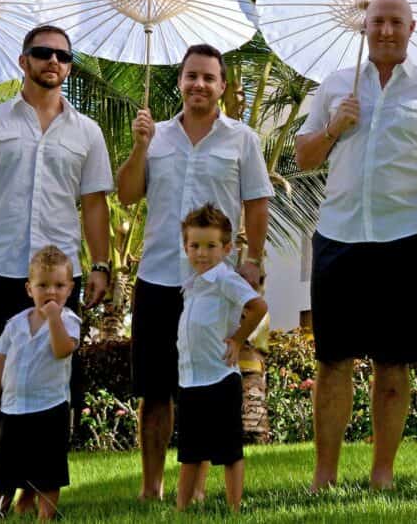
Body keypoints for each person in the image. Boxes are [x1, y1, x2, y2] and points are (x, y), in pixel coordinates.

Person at [0, 24, 114, 519]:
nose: (53, 61)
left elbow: (95, 203)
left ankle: (26, 496)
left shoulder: (87, 132)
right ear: (23, 60)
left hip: (56, 285)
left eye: (62, 55)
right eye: (43, 53)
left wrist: (99, 265)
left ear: (70, 65)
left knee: (52, 395)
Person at [294, 0, 417, 491]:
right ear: (363, 28)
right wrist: (333, 126)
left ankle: (382, 474)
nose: (386, 30)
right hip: (338, 237)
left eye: (396, 22)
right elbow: (304, 157)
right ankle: (324, 476)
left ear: (412, 29)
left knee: (393, 365)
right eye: (378, 22)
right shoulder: (334, 85)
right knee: (332, 362)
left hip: (403, 241)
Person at [115, 43, 273, 502]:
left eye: (208, 77)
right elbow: (126, 194)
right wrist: (139, 147)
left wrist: (254, 260)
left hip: (212, 284)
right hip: (158, 276)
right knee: (154, 389)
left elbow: (257, 202)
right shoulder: (155, 135)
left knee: (203, 386)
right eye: (191, 76)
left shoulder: (242, 138)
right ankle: (151, 488)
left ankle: (198, 488)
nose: (199, 84)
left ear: (222, 86)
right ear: (180, 82)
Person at [175, 203, 268, 513]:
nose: (202, 253)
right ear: (186, 247)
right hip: (190, 381)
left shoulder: (225, 279)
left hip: (220, 377)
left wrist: (239, 339)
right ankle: (182, 509)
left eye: (211, 246)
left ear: (227, 248)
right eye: (195, 246)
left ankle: (234, 508)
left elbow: (258, 307)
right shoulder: (190, 286)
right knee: (189, 452)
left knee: (228, 450)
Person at [0, 246, 81, 521]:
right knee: (3, 473)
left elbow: (63, 350)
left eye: (59, 285)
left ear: (70, 289)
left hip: (49, 407)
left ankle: (45, 515)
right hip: (12, 408)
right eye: (43, 285)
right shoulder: (15, 324)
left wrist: (53, 319)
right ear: (29, 289)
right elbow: (0, 362)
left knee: (48, 471)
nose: (51, 292)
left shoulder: (69, 321)